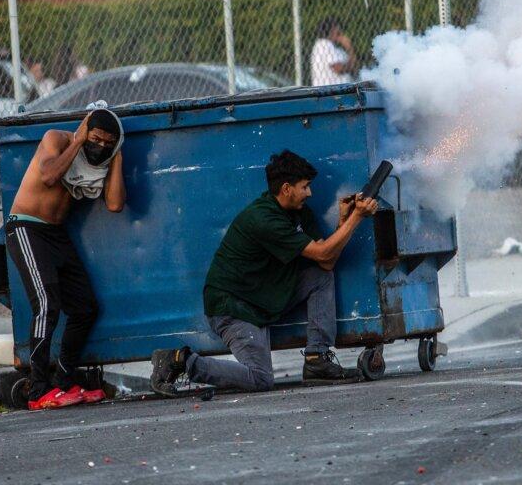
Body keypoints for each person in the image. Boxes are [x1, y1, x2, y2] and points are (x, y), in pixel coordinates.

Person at [149, 150, 378, 395]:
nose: (310, 193)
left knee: (319, 277)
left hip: (265, 296)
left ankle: (317, 360)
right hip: (234, 308)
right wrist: (356, 218)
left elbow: (326, 263)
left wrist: (343, 222)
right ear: (287, 188)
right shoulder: (264, 218)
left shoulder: (300, 214)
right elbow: (323, 254)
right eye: (305, 187)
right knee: (260, 379)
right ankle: (180, 361)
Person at [6, 107, 126, 410]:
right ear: (84, 131)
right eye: (95, 139)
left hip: (56, 234)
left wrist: (117, 156)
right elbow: (48, 176)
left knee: (85, 307)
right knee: (46, 305)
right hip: (27, 227)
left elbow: (114, 204)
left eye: (107, 143)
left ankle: (63, 380)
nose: (99, 147)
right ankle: (37, 389)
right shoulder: (57, 140)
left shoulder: (102, 159)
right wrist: (79, 141)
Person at [310, 17, 357, 86]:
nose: (340, 31)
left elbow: (354, 67)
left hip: (337, 91)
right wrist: (349, 48)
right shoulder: (324, 44)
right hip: (330, 92)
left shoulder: (334, 47)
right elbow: (339, 68)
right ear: (332, 30)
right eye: (337, 29)